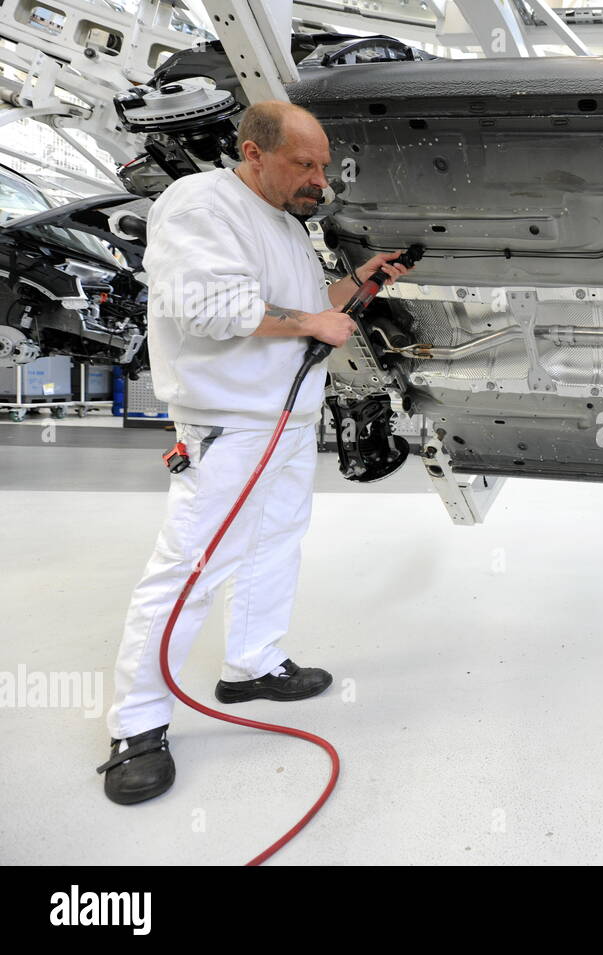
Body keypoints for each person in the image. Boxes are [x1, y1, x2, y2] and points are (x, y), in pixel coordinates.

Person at [98, 100, 411, 805]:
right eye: (304, 164)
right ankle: (137, 727)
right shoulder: (199, 206)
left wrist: (355, 285)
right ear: (252, 152)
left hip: (288, 422)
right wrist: (313, 319)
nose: (318, 180)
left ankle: (252, 665)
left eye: (323, 166)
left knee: (275, 544)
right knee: (189, 570)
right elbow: (208, 311)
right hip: (228, 428)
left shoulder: (283, 223)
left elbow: (301, 314)